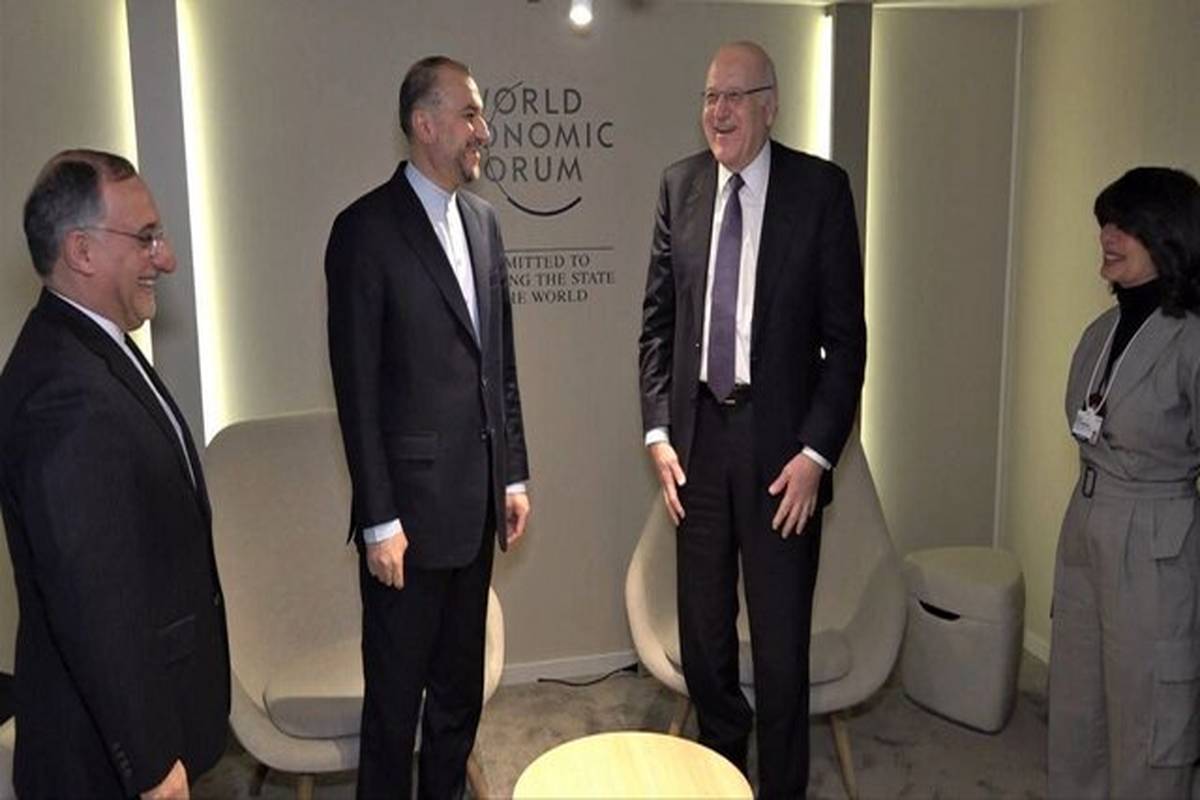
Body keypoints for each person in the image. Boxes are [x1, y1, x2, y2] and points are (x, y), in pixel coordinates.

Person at [638, 41, 866, 797]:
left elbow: (847, 343)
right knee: (704, 645)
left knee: (779, 650)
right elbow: (657, 325)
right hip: (698, 446)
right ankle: (723, 778)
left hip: (782, 458)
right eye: (710, 96)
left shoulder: (820, 191)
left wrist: (816, 455)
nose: (719, 111)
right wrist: (658, 433)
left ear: (770, 106)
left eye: (735, 96)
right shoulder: (679, 186)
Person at [325, 55, 531, 799]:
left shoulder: (485, 223)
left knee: (456, 699)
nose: (484, 130)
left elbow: (499, 365)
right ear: (425, 124)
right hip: (405, 526)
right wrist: (378, 520)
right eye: (470, 114)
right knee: (393, 709)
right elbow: (357, 391)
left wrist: (513, 473)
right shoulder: (364, 231)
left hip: (476, 512)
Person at [0, 149, 230, 798]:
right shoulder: (62, 392)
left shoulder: (94, 347)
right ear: (82, 251)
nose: (167, 258)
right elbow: (93, 599)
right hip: (100, 760)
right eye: (146, 237)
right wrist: (152, 761)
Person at [1049, 166, 1200, 799]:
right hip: (1086, 527)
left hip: (1155, 543)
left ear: (1167, 235)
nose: (1108, 237)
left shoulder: (1191, 340)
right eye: (1106, 224)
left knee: (1148, 715)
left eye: (1126, 226)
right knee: (1077, 707)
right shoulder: (1099, 332)